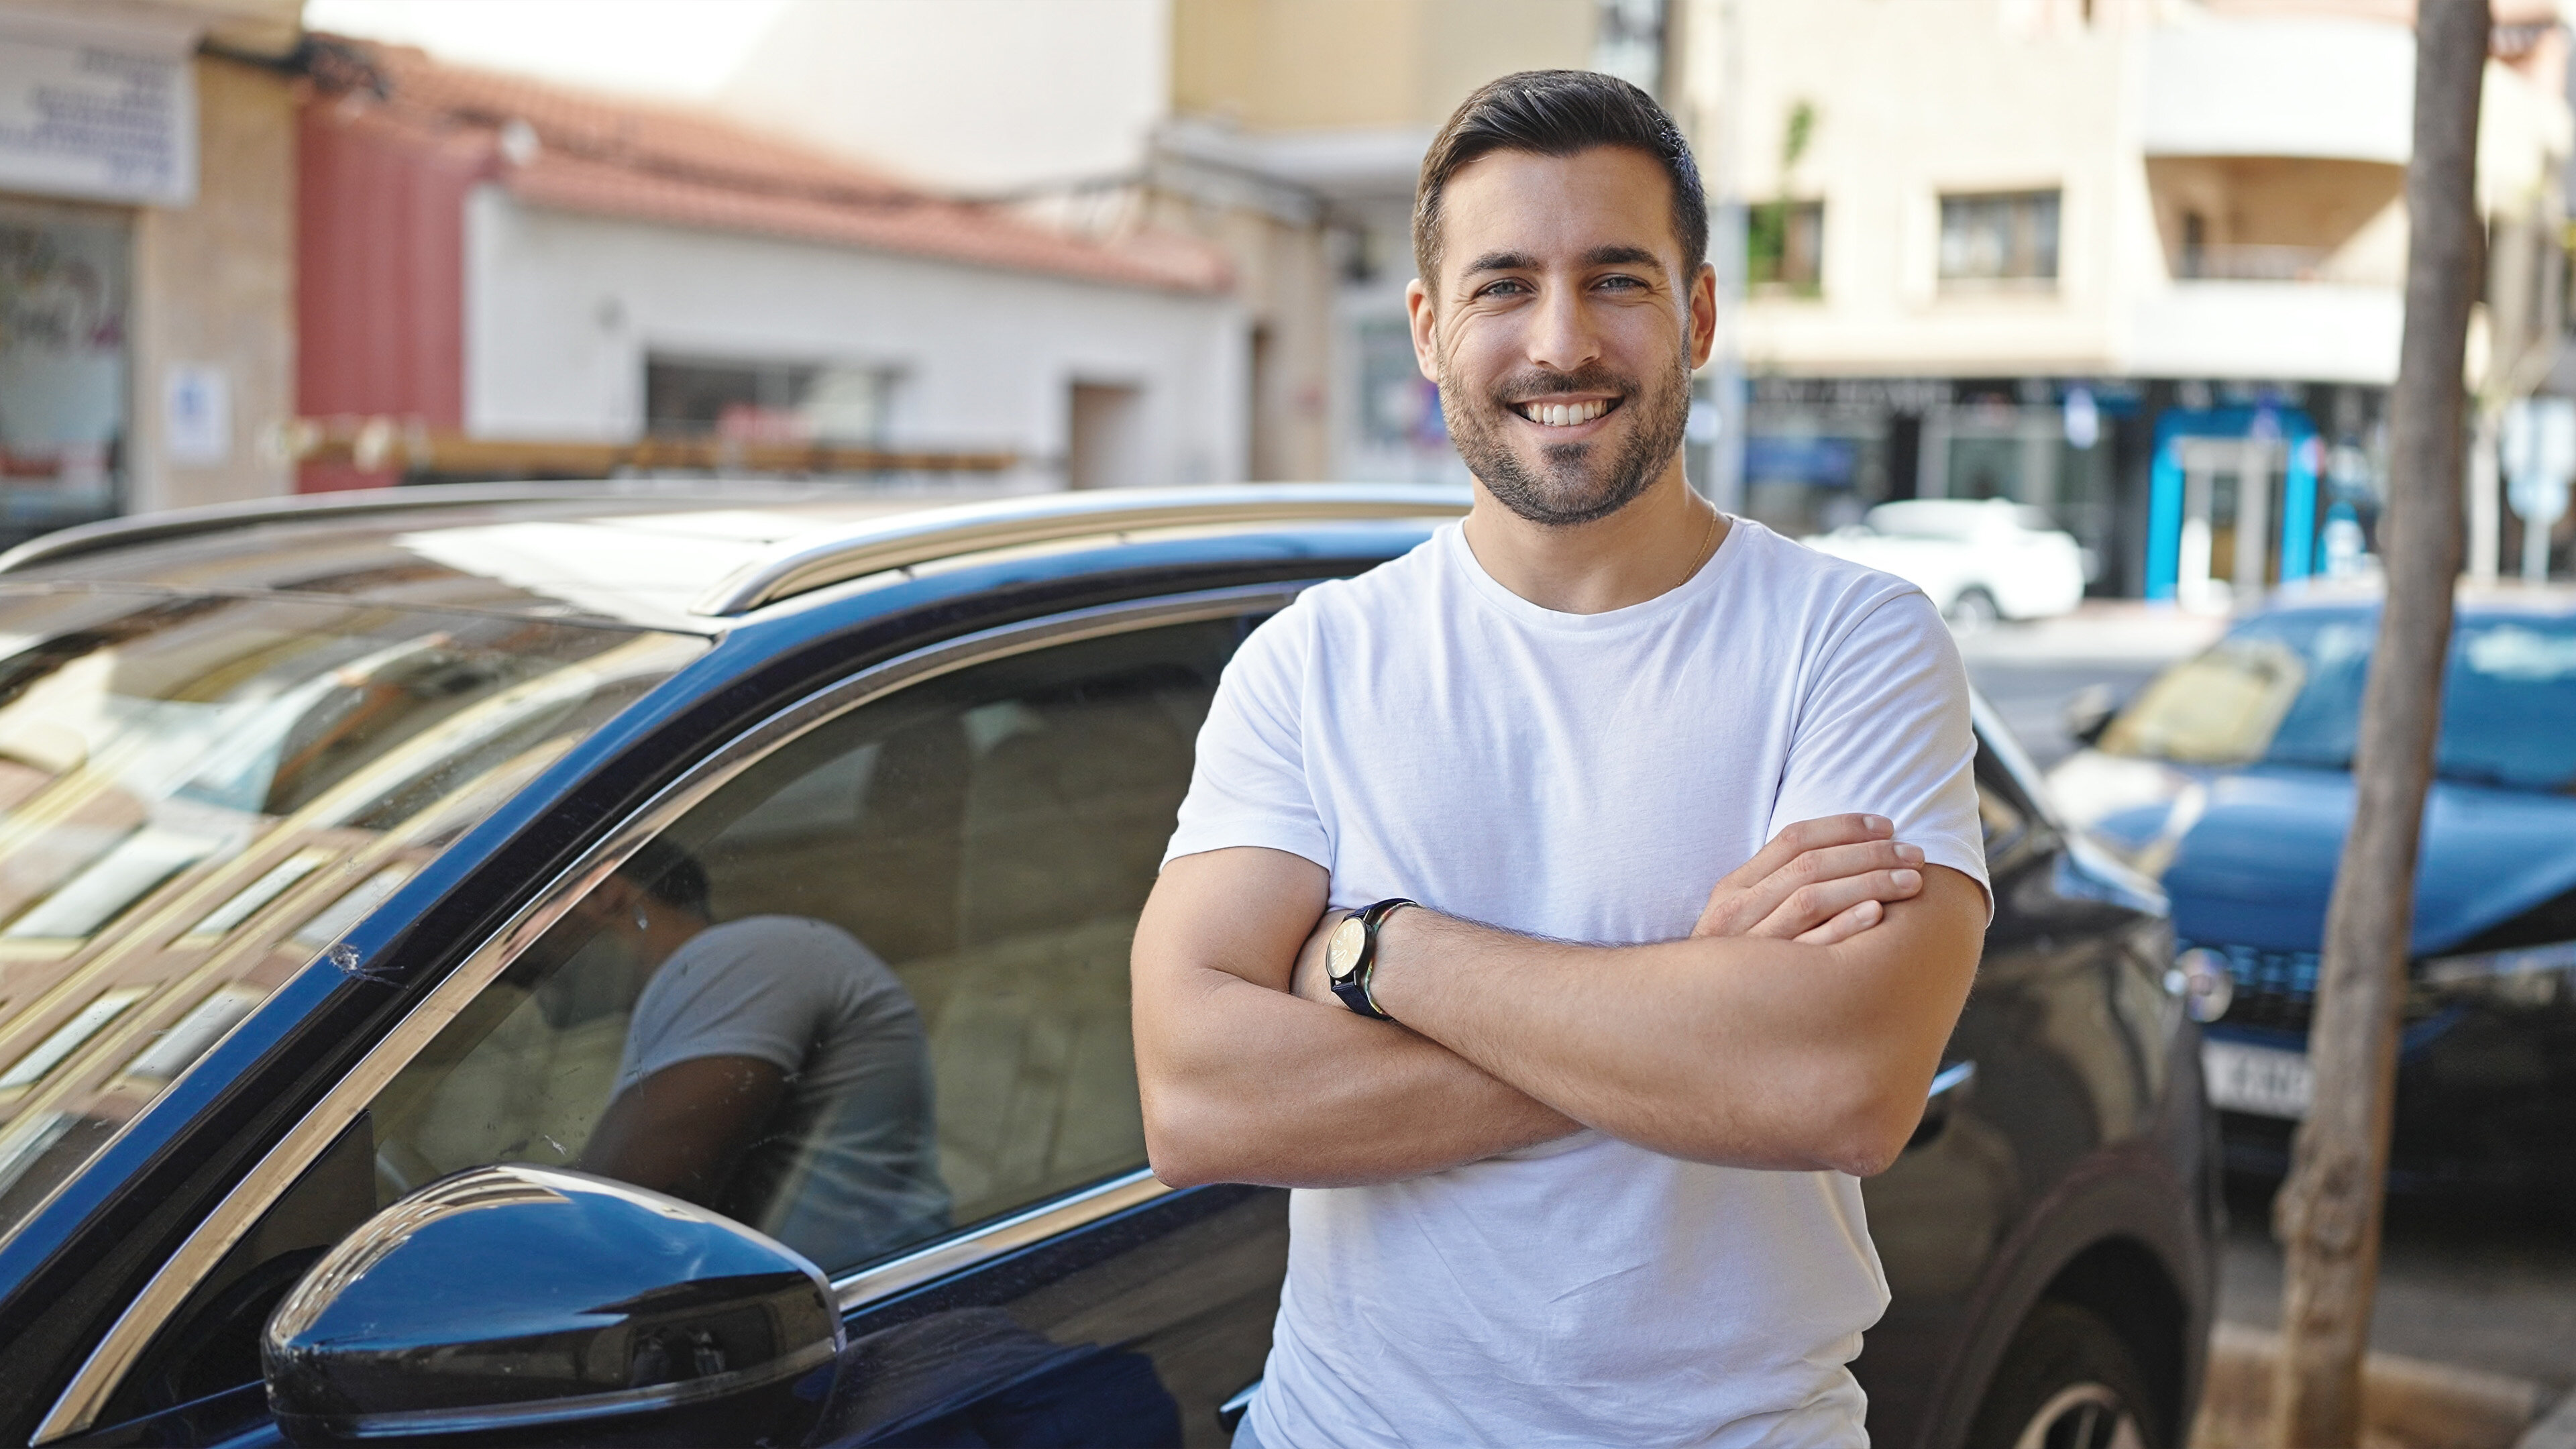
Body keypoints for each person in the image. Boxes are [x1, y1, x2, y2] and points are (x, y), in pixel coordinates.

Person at [1130, 70, 1990, 1448]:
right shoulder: (1315, 662)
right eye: (1503, 286)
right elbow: (1195, 1097)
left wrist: (1377, 958)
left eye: (1618, 280)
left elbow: (1837, 1086)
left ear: (1698, 314)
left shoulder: (1855, 642)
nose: (1561, 339)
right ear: (1428, 330)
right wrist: (1691, 1027)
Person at [574, 839, 950, 1272]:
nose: (512, 976)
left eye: (520, 939)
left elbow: (620, 1222)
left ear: (600, 892)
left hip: (901, 1325)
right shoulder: (693, 996)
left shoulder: (741, 955)